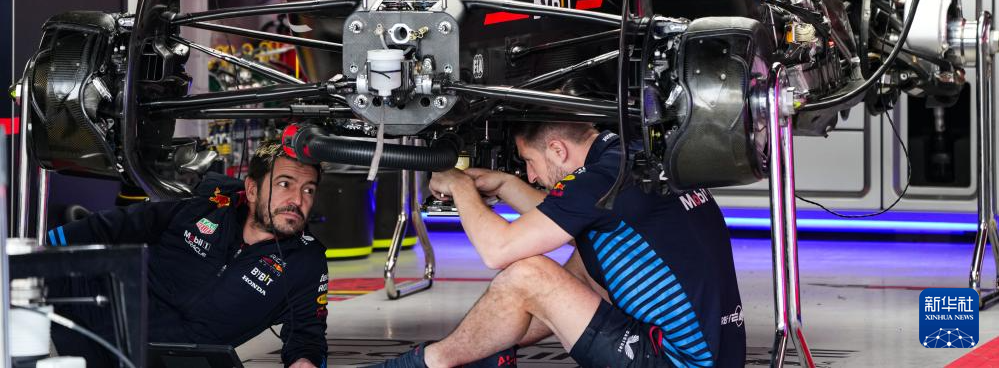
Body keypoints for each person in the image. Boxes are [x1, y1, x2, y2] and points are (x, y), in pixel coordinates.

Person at [372, 122, 745, 368]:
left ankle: (431, 362)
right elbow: (566, 218)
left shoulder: (598, 180)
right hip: (716, 357)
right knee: (584, 263)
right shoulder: (631, 157)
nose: (531, 175)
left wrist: (458, 184)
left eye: (529, 162)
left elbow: (497, 250)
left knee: (527, 276)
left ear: (557, 149)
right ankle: (485, 351)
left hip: (676, 361)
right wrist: (505, 184)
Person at [46, 143, 329, 368]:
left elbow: (307, 335)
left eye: (309, 190)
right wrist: (34, 252)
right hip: (83, 321)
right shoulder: (205, 204)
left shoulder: (306, 260)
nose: (298, 200)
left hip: (164, 359)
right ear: (252, 190)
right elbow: (109, 227)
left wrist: (305, 360)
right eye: (285, 184)